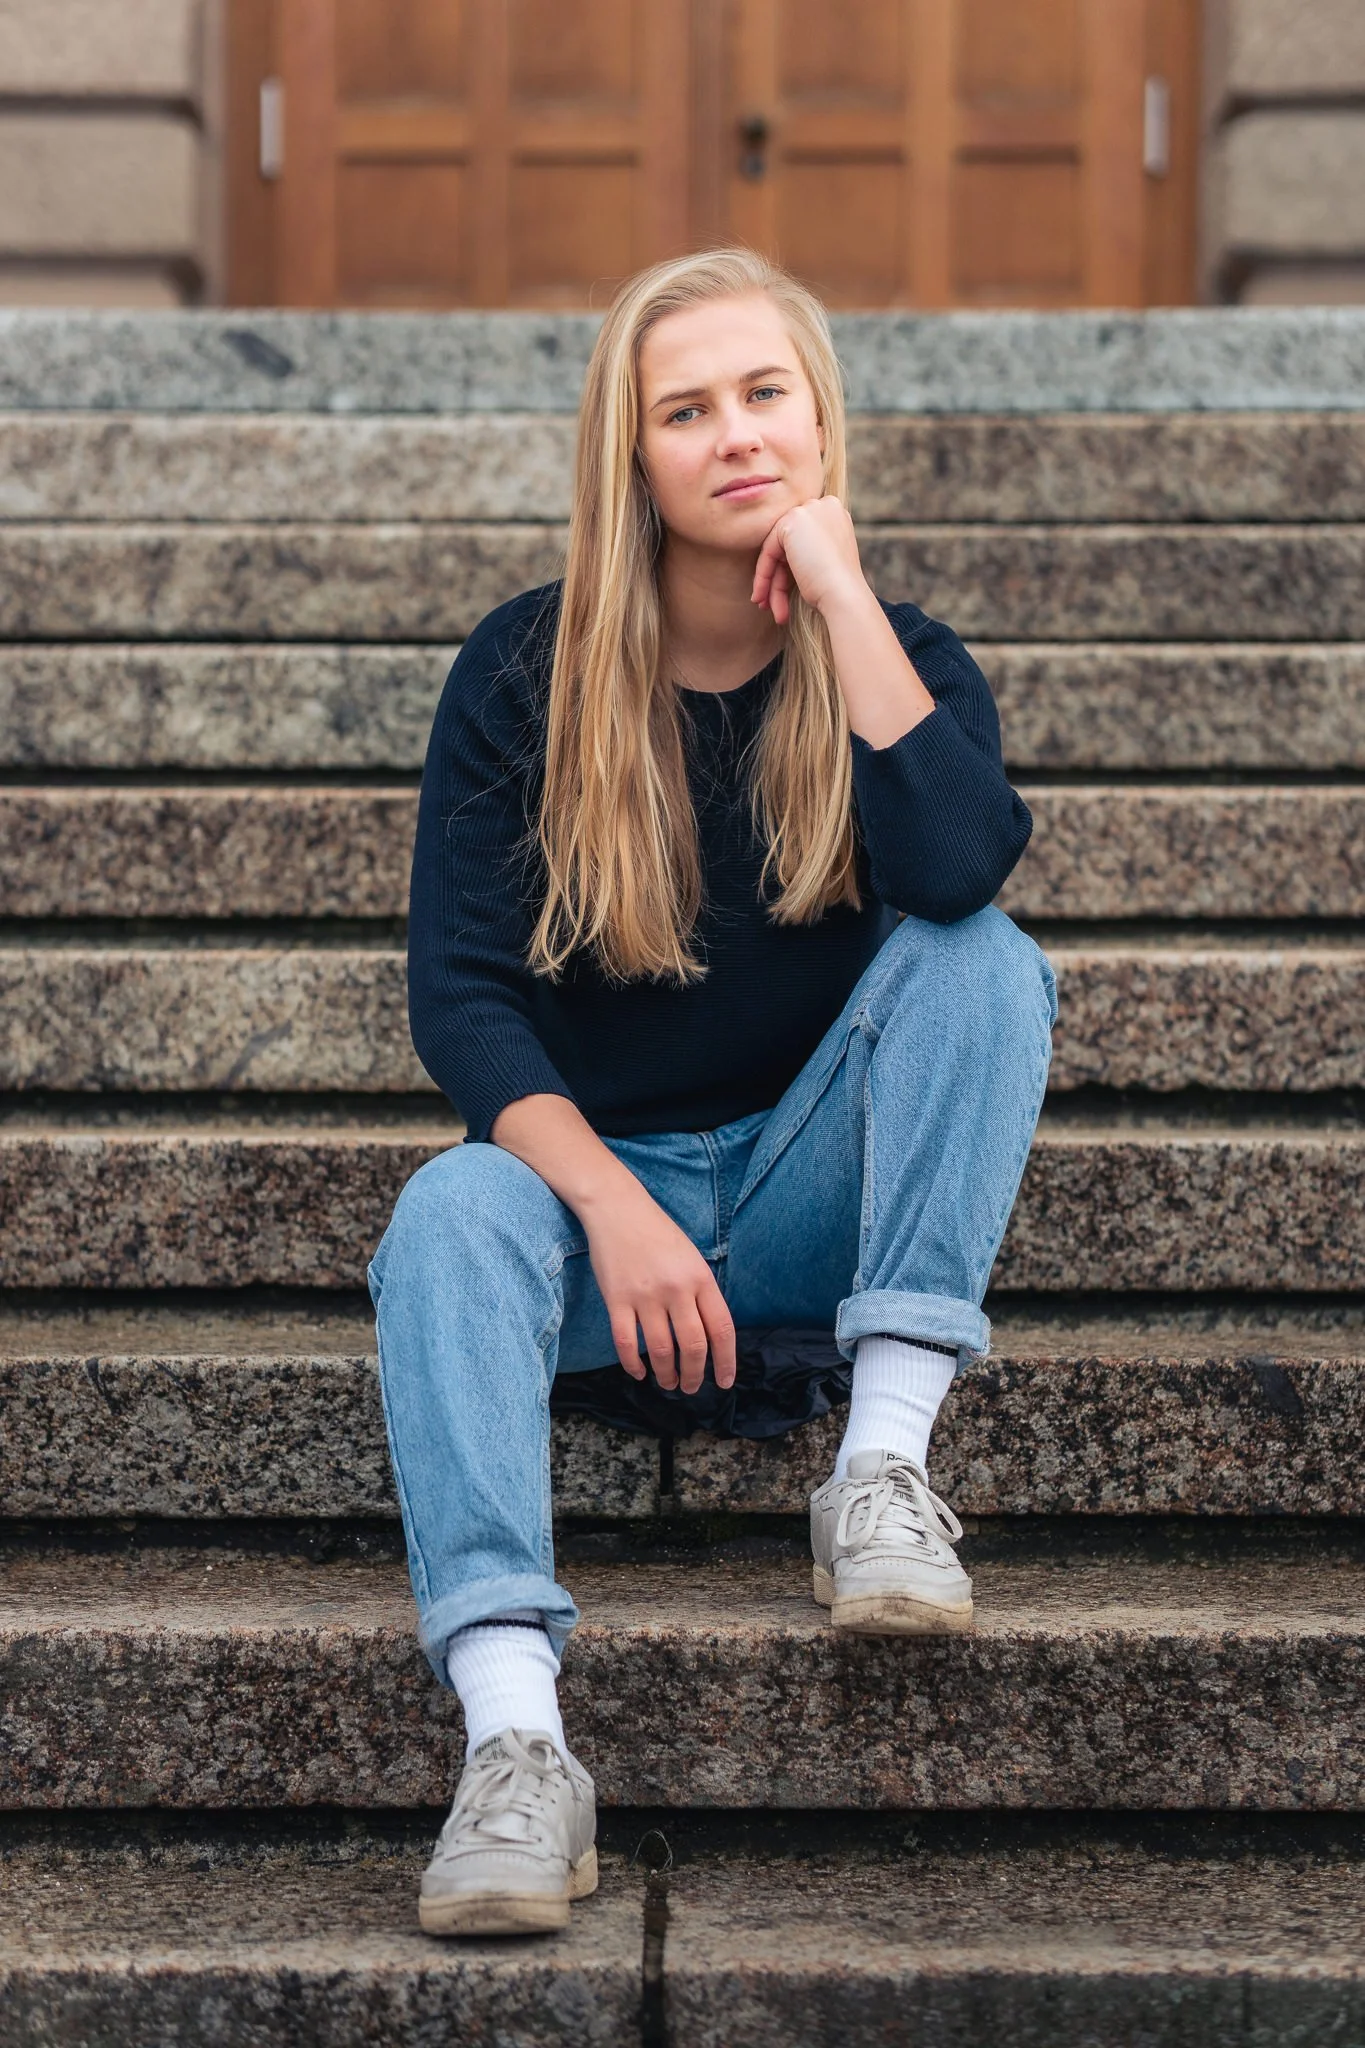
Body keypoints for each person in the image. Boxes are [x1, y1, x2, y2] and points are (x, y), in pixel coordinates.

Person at [369, 247, 1056, 1939]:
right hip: (613, 1226)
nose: (735, 436)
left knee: (984, 959)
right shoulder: (527, 675)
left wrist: (839, 592)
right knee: (450, 1210)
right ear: (634, 454)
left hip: (816, 1205)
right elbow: (459, 999)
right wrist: (609, 1207)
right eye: (688, 409)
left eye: (768, 396)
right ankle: (518, 1747)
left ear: (821, 420)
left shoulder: (899, 657)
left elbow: (961, 864)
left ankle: (882, 1473)